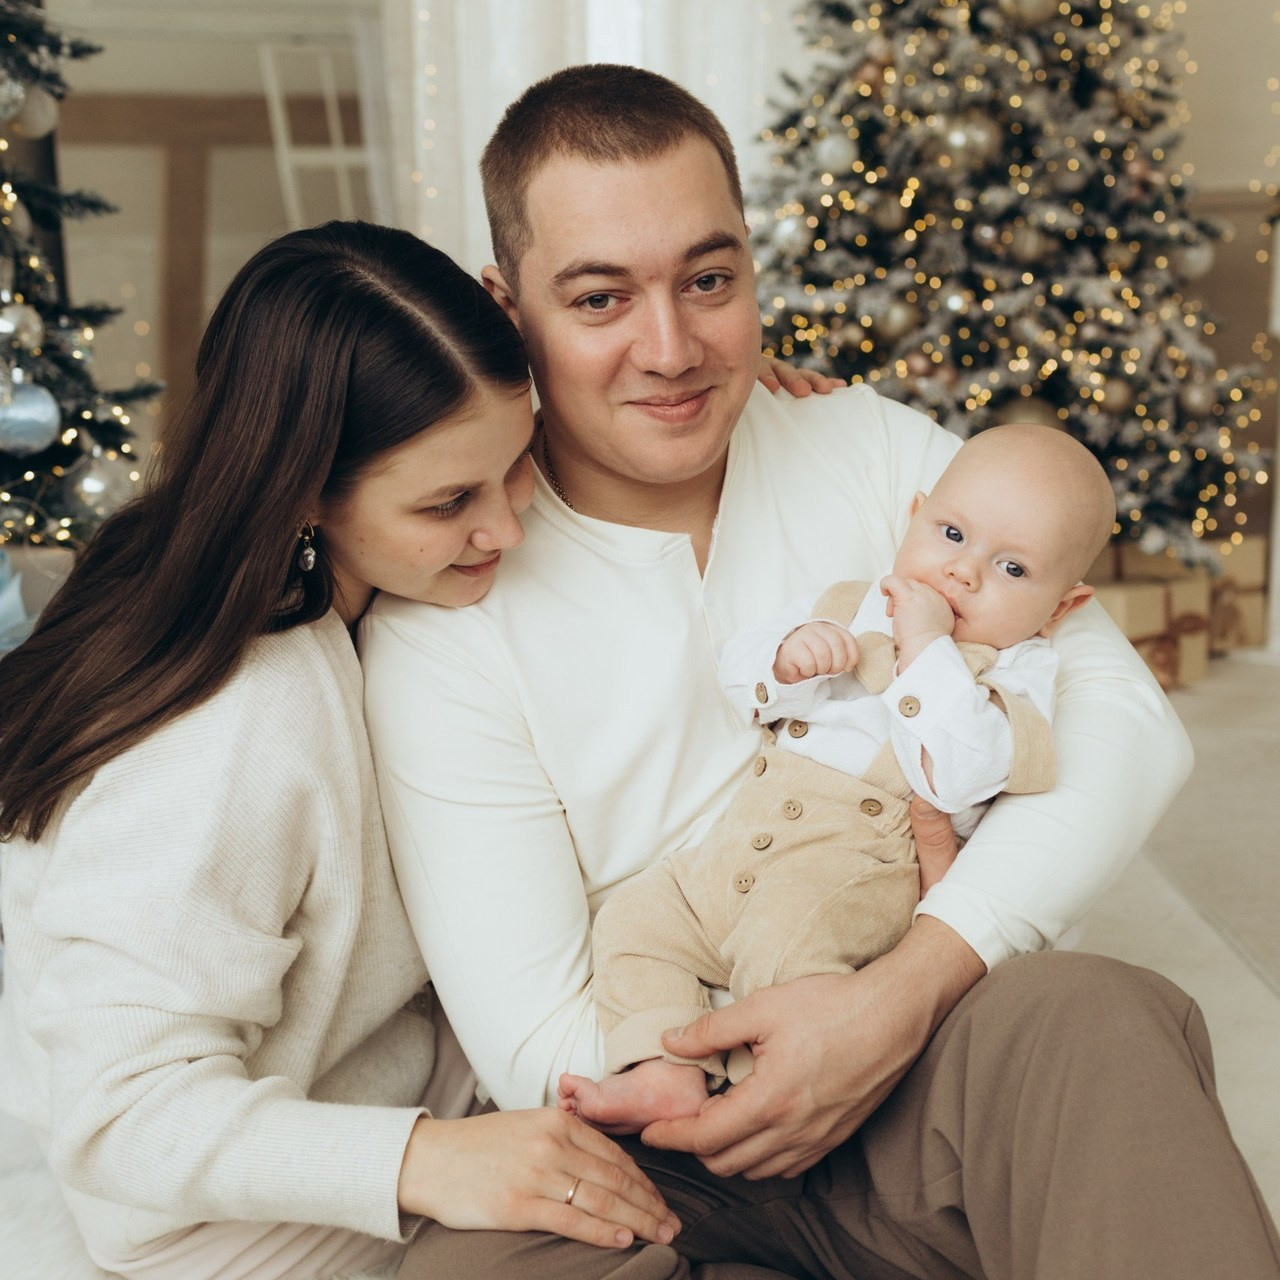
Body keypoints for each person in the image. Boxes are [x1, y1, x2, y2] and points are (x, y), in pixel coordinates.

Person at [361, 65, 1280, 1278]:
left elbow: (1126, 724)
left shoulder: (869, 446)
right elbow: (535, 1038)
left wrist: (900, 995)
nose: (670, 349)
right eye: (598, 298)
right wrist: (773, 1072)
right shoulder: (454, 594)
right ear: (507, 306)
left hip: (919, 1055)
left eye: (708, 280)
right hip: (657, 1144)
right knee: (467, 1259)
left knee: (1098, 1016)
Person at [0, 221, 688, 1280]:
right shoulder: (236, 723)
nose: (507, 527)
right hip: (237, 1224)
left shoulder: (327, 578)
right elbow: (124, 1109)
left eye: (517, 462)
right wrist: (423, 1158)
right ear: (307, 491)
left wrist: (762, 407)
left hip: (417, 1104)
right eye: (447, 502)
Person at [560, 424, 1116, 1130]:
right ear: (914, 516)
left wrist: (925, 646)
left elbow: (960, 775)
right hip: (733, 851)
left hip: (855, 873)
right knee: (636, 921)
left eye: (1012, 569)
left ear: (1062, 606)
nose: (964, 573)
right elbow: (741, 678)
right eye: (951, 535)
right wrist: (786, 661)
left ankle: (773, 1093)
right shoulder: (846, 603)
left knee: (785, 952)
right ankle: (663, 1069)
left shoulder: (1019, 671)